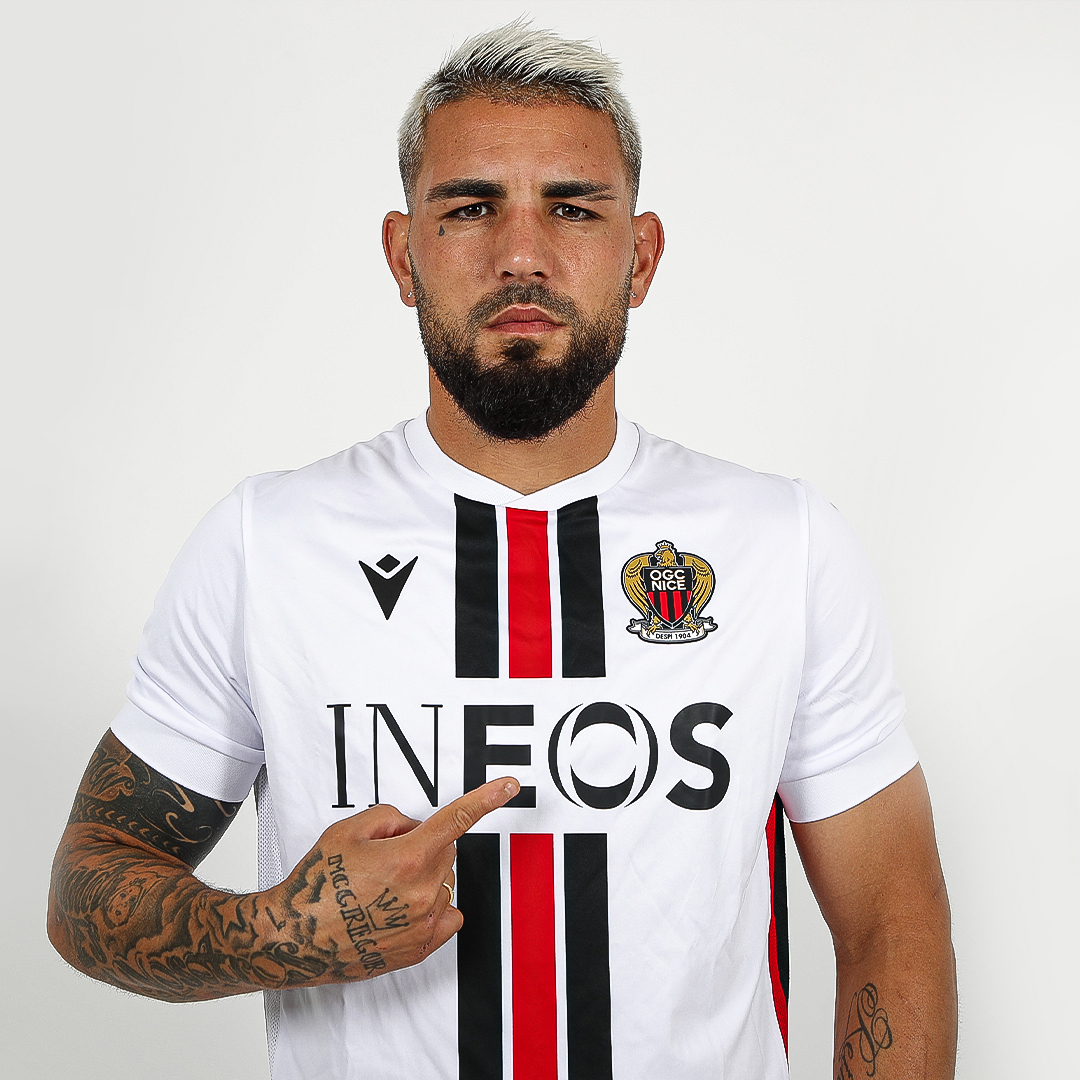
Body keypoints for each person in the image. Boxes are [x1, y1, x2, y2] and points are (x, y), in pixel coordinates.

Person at [47, 21, 957, 1080]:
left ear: (642, 256)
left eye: (572, 207)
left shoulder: (781, 544)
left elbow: (893, 921)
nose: (521, 254)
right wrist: (282, 931)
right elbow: (90, 886)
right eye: (471, 207)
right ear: (403, 255)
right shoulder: (269, 543)